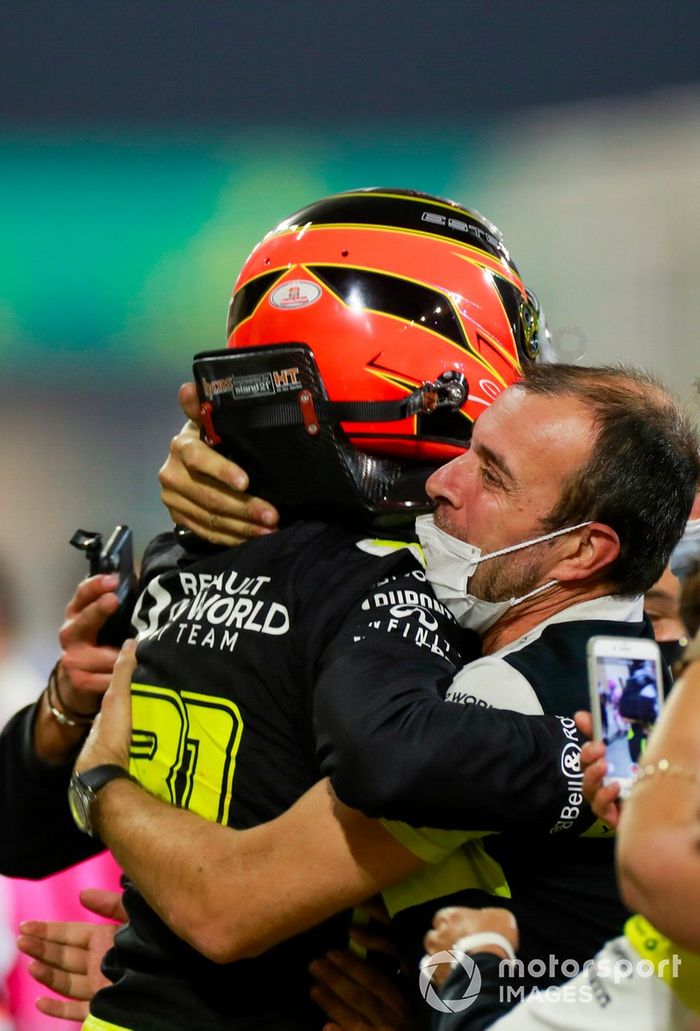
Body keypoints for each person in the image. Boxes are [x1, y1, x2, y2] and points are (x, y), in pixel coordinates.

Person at [3, 188, 593, 1031]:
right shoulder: (414, 589)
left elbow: (22, 834)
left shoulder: (184, 554)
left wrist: (154, 967)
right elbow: (233, 906)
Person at [14, 359, 700, 1031]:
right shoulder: (629, 669)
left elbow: (226, 906)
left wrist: (102, 787)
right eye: (466, 450)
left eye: (491, 473)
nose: (440, 480)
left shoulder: (498, 697)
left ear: (584, 551)